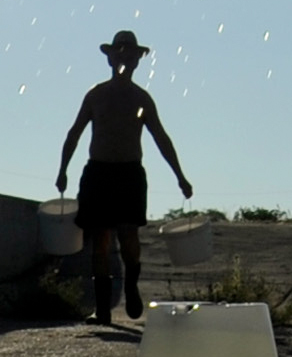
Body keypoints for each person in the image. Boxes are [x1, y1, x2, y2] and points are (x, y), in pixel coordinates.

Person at [54, 29, 192, 325]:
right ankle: (102, 309)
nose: (124, 57)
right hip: (98, 172)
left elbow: (161, 138)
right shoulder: (96, 95)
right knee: (100, 240)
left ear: (136, 60)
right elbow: (74, 133)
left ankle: (131, 285)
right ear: (110, 57)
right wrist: (62, 170)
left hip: (129, 173)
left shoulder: (141, 98)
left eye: (130, 53)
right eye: (120, 51)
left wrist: (180, 176)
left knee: (129, 236)